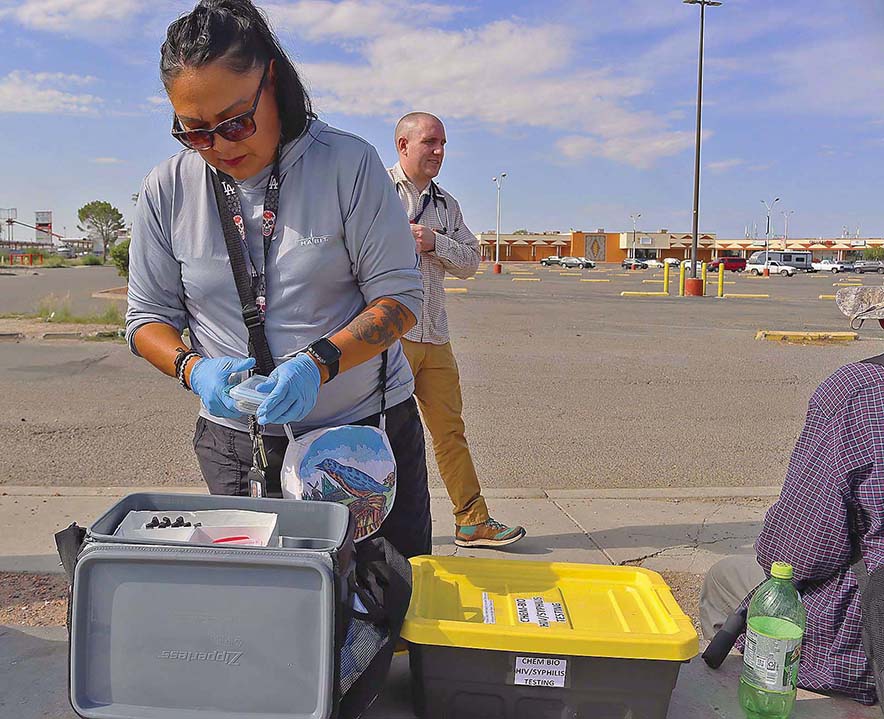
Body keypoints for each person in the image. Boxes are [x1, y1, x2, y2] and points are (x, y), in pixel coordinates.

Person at [125, 0, 431, 559]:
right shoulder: (167, 188)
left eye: (236, 121)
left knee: (382, 611)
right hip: (238, 444)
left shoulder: (346, 165)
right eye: (194, 132)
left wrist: (318, 363)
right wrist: (196, 370)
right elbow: (145, 319)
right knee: (267, 617)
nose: (220, 145)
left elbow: (401, 300)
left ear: (272, 80)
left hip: (358, 434)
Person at [700, 286, 884, 705]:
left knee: (727, 577)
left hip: (862, 646)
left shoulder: (860, 391)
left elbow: (798, 553)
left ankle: (742, 699)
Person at [387, 112, 525, 548]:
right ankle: (372, 522)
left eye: (443, 143)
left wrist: (434, 242)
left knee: (450, 432)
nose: (439, 152)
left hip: (435, 338)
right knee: (382, 432)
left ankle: (472, 520)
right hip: (391, 336)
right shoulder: (375, 193)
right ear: (403, 146)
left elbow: (470, 261)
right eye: (430, 142)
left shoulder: (446, 205)